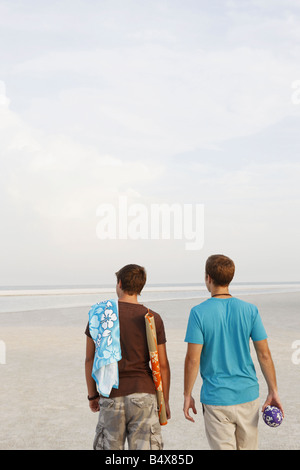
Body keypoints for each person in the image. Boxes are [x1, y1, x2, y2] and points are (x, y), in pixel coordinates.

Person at [183, 254, 284, 450]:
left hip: (216, 399)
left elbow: (192, 360)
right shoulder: (250, 310)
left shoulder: (198, 313)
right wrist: (273, 390)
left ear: (208, 278)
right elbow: (264, 354)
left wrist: (187, 395)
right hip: (248, 396)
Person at [85, 264, 171, 450]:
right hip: (144, 394)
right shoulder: (152, 317)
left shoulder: (100, 316)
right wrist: (164, 401)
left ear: (120, 283)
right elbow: (162, 365)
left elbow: (90, 359)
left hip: (111, 395)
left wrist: (92, 395)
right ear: (140, 288)